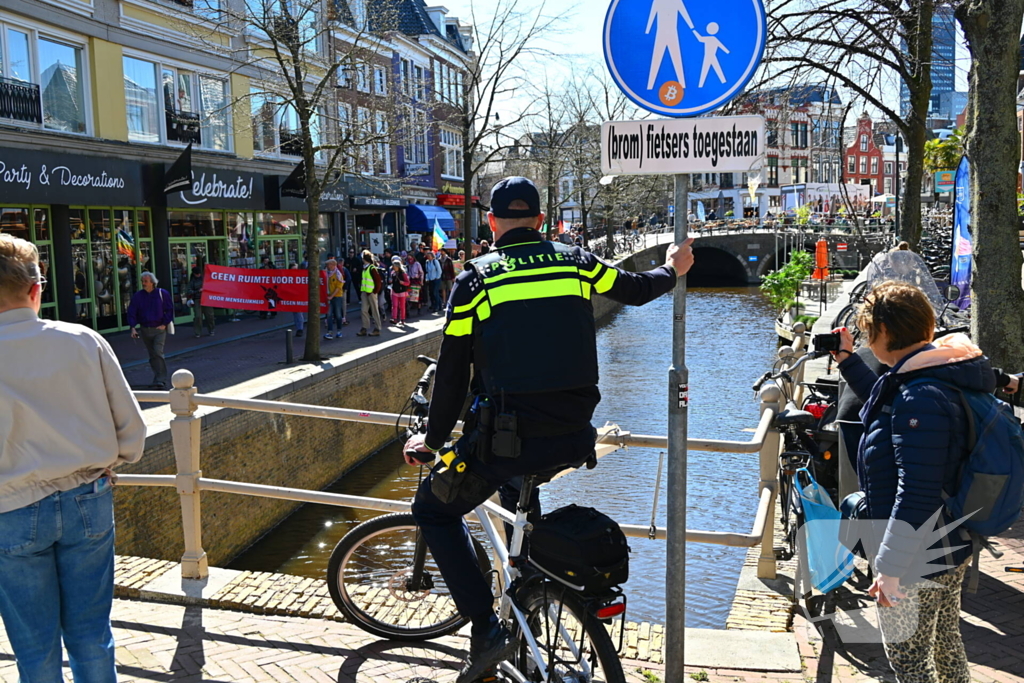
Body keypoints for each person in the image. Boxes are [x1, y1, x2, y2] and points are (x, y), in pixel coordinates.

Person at [403, 177, 695, 682]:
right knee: (521, 510)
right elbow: (636, 289)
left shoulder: (476, 280)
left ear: (491, 223)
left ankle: (487, 630)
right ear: (540, 220)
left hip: (505, 442)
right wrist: (672, 267)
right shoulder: (576, 261)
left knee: (432, 509)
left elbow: (451, 376)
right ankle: (528, 611)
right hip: (572, 435)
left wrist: (430, 440)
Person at [0, 234, 147, 682]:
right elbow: (133, 432)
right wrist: (110, 459)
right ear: (35, 290)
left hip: (10, 508)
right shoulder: (82, 340)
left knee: (34, 649)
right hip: (87, 496)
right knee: (91, 636)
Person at [830, 282, 986, 683]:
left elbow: (917, 490)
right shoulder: (934, 373)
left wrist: (889, 568)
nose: (867, 340)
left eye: (868, 333)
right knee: (945, 643)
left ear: (884, 331)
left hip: (919, 553)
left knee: (910, 661)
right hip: (950, 540)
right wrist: (847, 360)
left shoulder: (918, 395)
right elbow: (891, 407)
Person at [127, 271, 173, 388]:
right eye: (142, 281)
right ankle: (157, 378)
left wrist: (164, 324)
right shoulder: (138, 296)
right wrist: (133, 327)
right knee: (152, 355)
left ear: (152, 282)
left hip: (159, 329)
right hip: (145, 329)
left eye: (146, 281)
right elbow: (132, 312)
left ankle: (161, 380)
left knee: (158, 352)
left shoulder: (162, 293)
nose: (144, 283)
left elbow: (169, 309)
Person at [357, 250, 383, 337]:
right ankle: (364, 328)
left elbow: (378, 282)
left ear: (364, 259)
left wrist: (374, 291)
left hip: (371, 292)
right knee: (364, 310)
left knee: (374, 310)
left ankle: (377, 328)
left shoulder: (372, 268)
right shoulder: (364, 268)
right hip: (365, 292)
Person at [186, 266, 215, 338]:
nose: (198, 275)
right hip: (197, 300)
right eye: (197, 274)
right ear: (194, 274)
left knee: (210, 316)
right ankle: (197, 332)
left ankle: (211, 330)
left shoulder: (204, 279)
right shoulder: (192, 282)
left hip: (206, 299)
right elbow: (188, 291)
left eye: (199, 273)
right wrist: (197, 291)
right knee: (198, 317)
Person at [324, 258, 346, 340]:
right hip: (329, 296)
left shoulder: (338, 274)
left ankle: (339, 331)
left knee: (338, 314)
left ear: (333, 265)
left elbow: (338, 288)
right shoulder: (326, 273)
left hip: (337, 297)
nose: (327, 266)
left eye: (328, 265)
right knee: (329, 314)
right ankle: (330, 332)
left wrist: (331, 296)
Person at [389, 256, 410, 326]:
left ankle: (402, 319)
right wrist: (390, 281)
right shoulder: (393, 273)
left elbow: (408, 283)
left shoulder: (403, 274)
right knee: (394, 305)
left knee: (402, 306)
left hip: (402, 292)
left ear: (398, 266)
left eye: (394, 266)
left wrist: (403, 282)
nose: (393, 267)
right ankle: (394, 318)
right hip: (394, 291)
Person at [289, 262, 306, 338]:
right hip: (292, 297)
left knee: (298, 313)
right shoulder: (288, 277)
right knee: (295, 313)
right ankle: (298, 328)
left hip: (299, 297)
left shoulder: (300, 276)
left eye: (296, 269)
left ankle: (300, 329)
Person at [406, 252, 424, 316]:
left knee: (417, 296)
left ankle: (419, 310)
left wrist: (421, 281)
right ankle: (408, 311)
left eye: (410, 257)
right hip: (410, 281)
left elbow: (421, 273)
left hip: (416, 281)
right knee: (409, 296)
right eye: (408, 258)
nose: (410, 259)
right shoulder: (408, 265)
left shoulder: (417, 264)